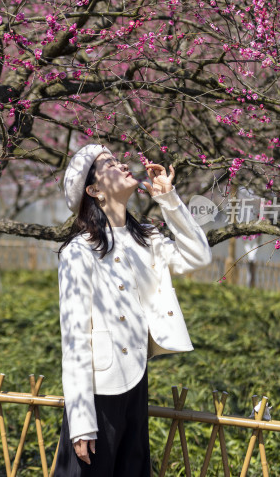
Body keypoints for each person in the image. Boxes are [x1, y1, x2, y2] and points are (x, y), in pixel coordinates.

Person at [55, 144, 212, 476]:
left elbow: (199, 256)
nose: (121, 164)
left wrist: (169, 200)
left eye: (118, 159)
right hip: (98, 391)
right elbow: (75, 339)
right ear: (94, 190)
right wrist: (81, 422)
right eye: (109, 164)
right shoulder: (78, 252)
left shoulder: (147, 238)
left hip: (136, 379)